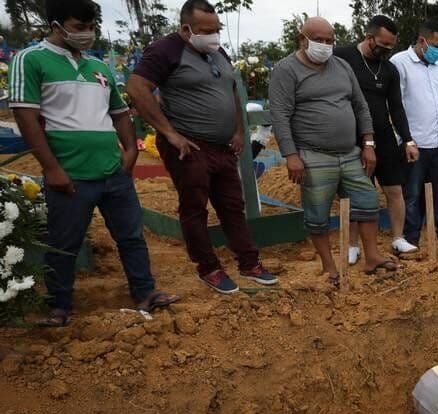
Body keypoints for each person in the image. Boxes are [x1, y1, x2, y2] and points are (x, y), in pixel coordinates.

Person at [10, 0, 178, 326]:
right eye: (78, 27)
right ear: (56, 25)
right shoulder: (30, 60)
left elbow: (119, 113)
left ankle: (145, 291)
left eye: (91, 27)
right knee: (64, 243)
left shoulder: (98, 67)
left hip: (112, 171)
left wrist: (130, 151)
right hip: (70, 173)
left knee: (131, 236)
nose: (86, 33)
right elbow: (26, 116)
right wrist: (51, 168)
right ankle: (59, 305)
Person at [129, 0, 277, 294]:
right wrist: (170, 133)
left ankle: (249, 263)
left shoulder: (217, 52)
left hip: (222, 146)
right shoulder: (165, 50)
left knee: (233, 205)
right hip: (189, 146)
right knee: (195, 208)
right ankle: (208, 267)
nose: (213, 36)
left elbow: (231, 90)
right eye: (205, 30)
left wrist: (237, 129)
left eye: (216, 29)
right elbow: (136, 87)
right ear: (186, 29)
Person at [269, 17, 391, 287]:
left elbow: (360, 106)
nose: (325, 45)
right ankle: (329, 268)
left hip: (350, 152)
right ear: (302, 39)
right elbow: (279, 114)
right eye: (319, 40)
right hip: (313, 155)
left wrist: (368, 144)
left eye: (329, 40)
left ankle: (371, 256)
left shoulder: (342, 66)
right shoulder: (286, 70)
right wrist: (291, 155)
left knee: (368, 201)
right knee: (317, 213)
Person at [334, 15, 419, 259]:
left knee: (394, 189)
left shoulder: (390, 69)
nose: (386, 51)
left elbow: (396, 107)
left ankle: (398, 238)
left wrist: (408, 139)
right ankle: (352, 245)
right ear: (369, 37)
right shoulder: (342, 57)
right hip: (351, 137)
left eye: (391, 47)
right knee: (354, 193)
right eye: (382, 46)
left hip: (383, 136)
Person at [390, 20, 438, 251]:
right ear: (422, 41)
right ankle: (411, 238)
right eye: (435, 45)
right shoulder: (399, 63)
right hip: (416, 143)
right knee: (411, 194)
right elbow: (395, 105)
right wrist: (405, 139)